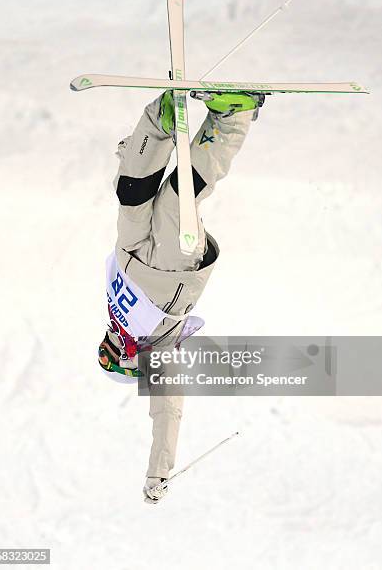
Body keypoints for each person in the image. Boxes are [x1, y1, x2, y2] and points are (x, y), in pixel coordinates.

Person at [97, 89, 265, 503]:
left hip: (132, 246)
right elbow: (166, 412)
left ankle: (162, 118)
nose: (108, 347)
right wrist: (158, 473)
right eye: (110, 359)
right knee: (178, 197)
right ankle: (233, 118)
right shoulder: (158, 350)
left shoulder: (115, 318)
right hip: (170, 269)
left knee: (132, 190)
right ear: (131, 366)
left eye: (101, 351)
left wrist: (124, 158)